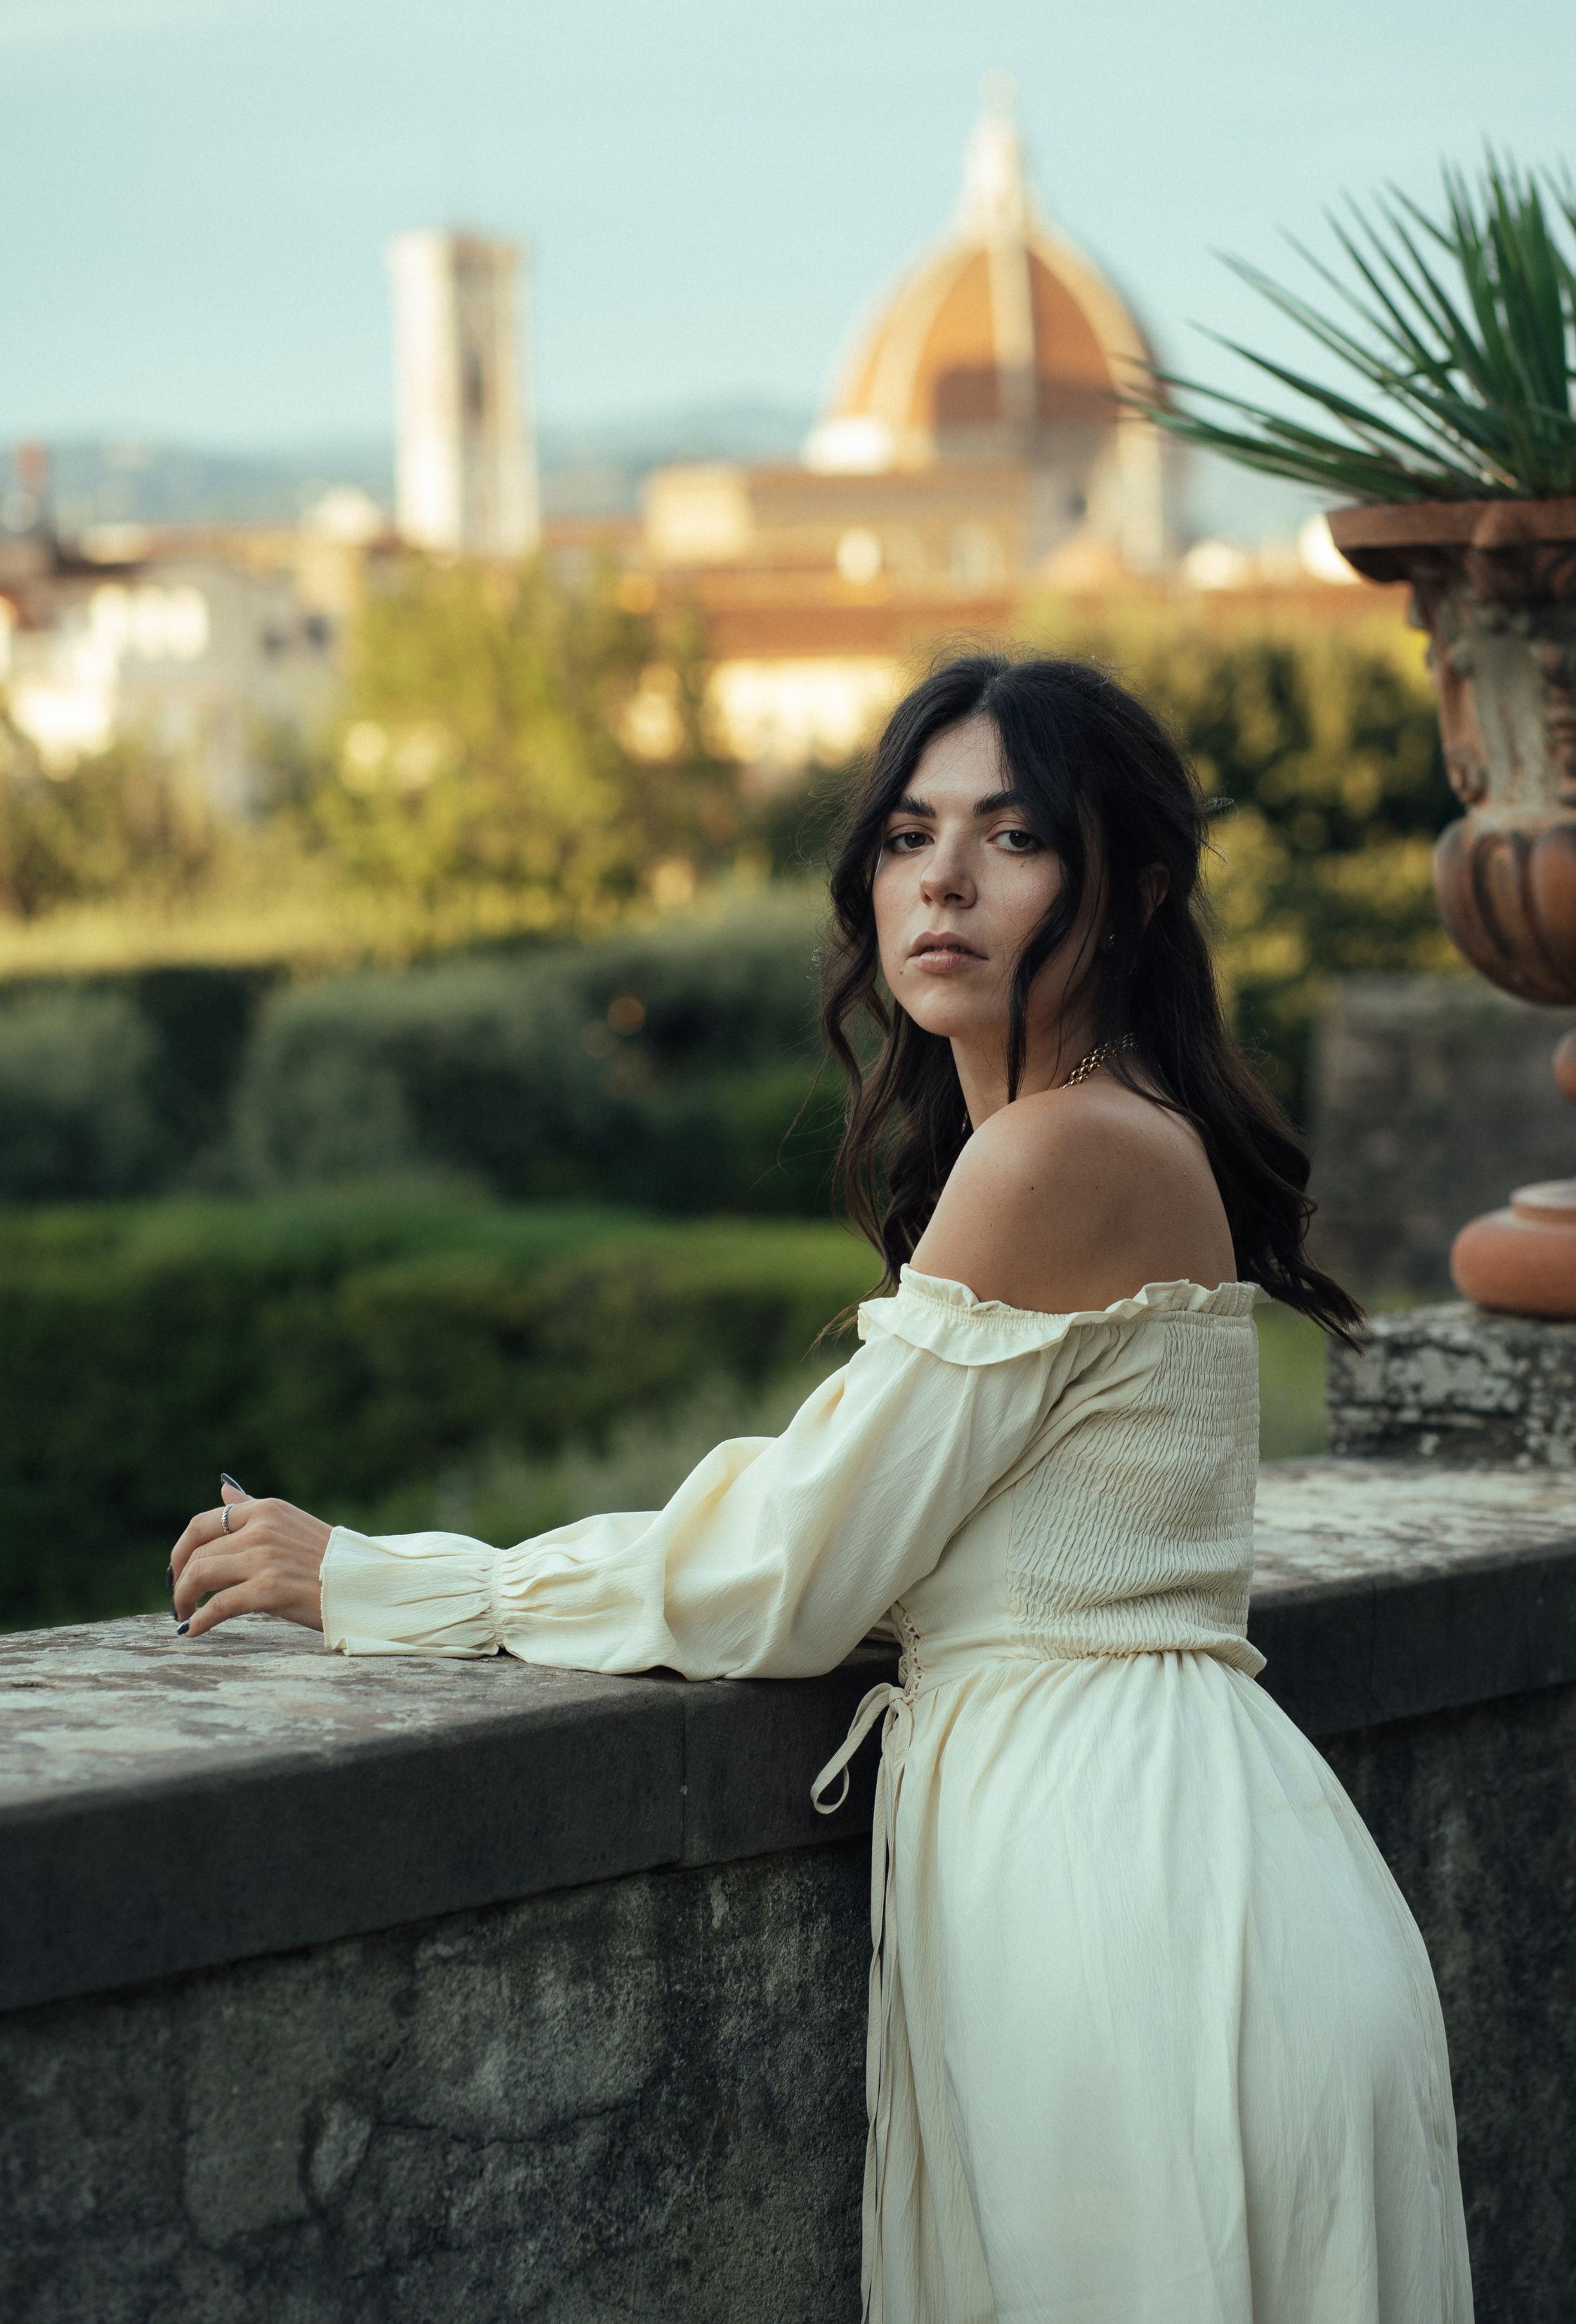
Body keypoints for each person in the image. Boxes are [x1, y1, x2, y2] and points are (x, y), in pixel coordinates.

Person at [169, 653, 1475, 2324]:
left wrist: (388, 1579)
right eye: (908, 835)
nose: (941, 879)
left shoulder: (1055, 1153)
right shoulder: (1097, 1135)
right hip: (1155, 1853)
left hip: (1131, 1903)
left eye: (1013, 838)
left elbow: (788, 1567)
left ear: (1129, 889)